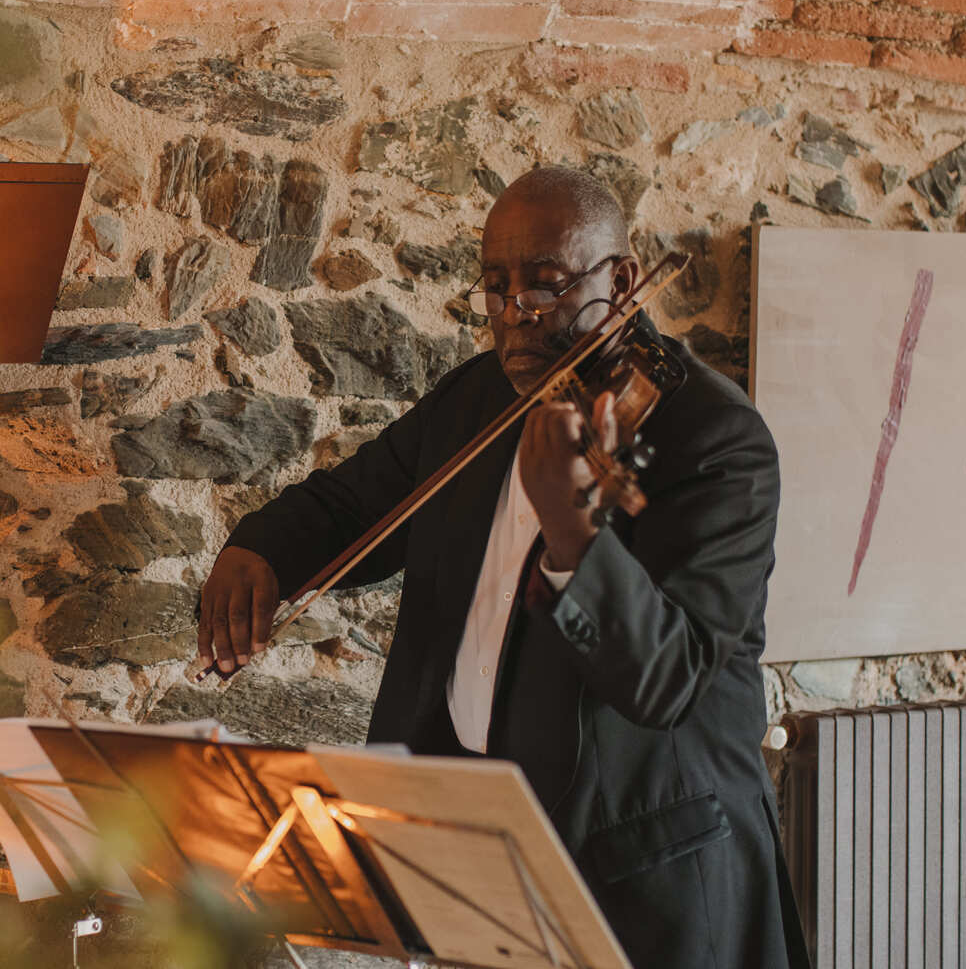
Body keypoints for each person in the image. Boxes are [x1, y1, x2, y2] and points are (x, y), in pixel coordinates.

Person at [197, 166, 810, 969]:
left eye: (547, 284)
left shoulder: (717, 441)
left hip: (642, 882)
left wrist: (576, 537)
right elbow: (355, 503)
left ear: (623, 280)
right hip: (483, 860)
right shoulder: (479, 398)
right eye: (496, 286)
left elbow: (669, 678)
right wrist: (261, 546)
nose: (516, 314)